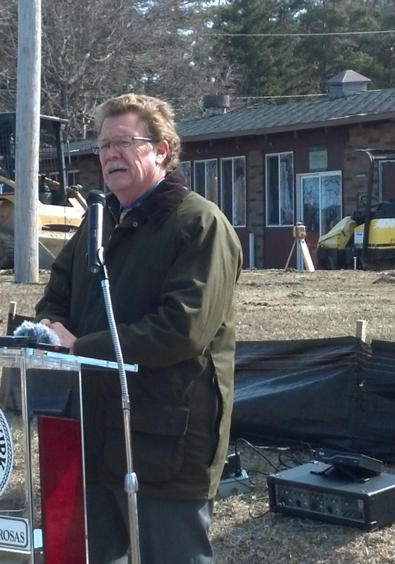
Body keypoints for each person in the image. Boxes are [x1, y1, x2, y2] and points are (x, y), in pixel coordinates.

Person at [35, 93, 242, 563]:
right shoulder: (99, 220)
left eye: (123, 143)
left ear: (162, 150)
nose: (109, 155)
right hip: (95, 429)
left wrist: (81, 347)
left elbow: (181, 329)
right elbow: (58, 292)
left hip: (166, 440)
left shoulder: (199, 224)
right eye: (103, 146)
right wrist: (50, 324)